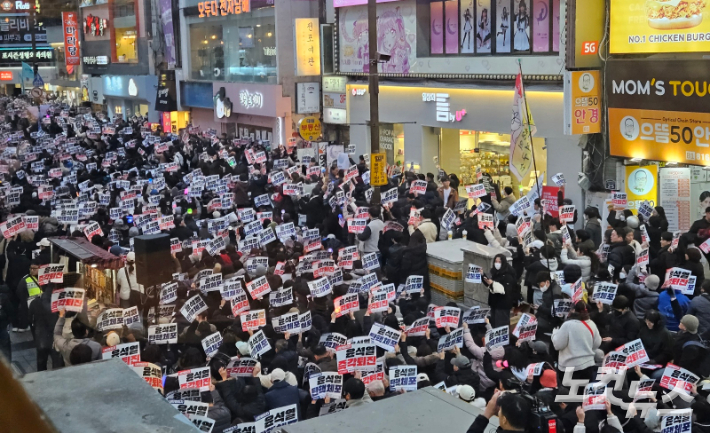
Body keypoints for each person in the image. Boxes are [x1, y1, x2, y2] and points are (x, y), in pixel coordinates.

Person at [551, 301, 602, 381]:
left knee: (570, 393)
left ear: (573, 310)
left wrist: (554, 334)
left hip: (569, 367)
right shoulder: (591, 323)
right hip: (588, 365)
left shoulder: (567, 325)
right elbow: (597, 343)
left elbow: (558, 345)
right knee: (584, 392)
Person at [483, 254, 516, 327]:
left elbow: (506, 290)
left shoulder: (508, 274)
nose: (497, 263)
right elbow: (489, 284)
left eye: (499, 262)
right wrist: (483, 277)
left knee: (501, 325)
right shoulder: (493, 271)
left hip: (503, 305)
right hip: (494, 302)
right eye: (496, 261)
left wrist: (493, 283)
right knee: (494, 323)